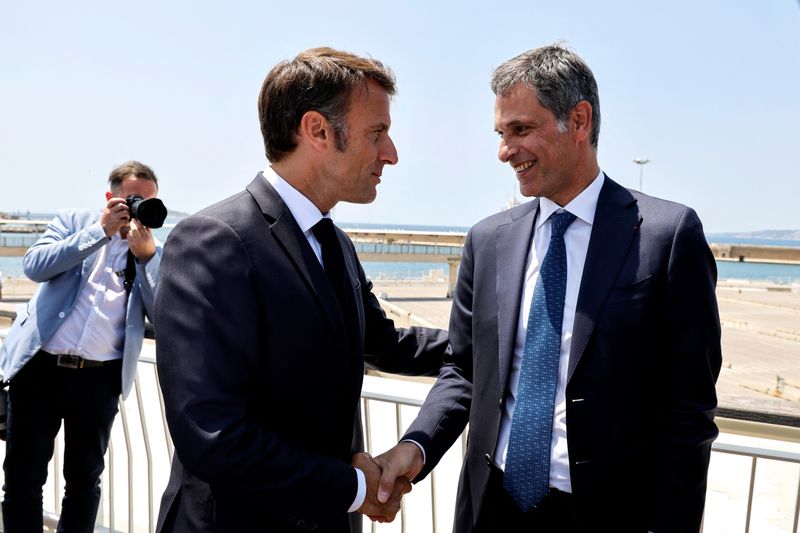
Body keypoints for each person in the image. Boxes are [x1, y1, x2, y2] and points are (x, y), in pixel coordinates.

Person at [374, 44, 722, 532]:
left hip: (607, 514)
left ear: (579, 121)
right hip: (492, 508)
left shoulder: (666, 235)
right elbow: (464, 368)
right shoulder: (488, 239)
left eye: (520, 129)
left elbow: (690, 411)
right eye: (501, 133)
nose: (503, 151)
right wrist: (417, 446)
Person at [154, 47, 448, 533]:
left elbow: (383, 343)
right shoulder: (214, 241)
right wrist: (353, 489)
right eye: (378, 133)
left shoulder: (335, 243)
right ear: (317, 131)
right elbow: (213, 435)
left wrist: (497, 337)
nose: (391, 154)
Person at [0, 160, 163, 532]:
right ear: (110, 197)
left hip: (99, 380)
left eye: (148, 201)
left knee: (84, 483)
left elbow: (162, 310)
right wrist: (99, 232)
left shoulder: (149, 248)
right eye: (133, 199)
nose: (138, 209)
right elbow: (34, 266)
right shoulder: (74, 222)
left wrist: (148, 257)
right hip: (40, 368)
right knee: (23, 478)